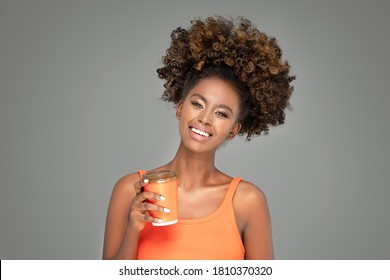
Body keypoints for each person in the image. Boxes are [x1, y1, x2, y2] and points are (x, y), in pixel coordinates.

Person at [102, 15, 295, 260]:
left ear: (234, 130)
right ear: (180, 108)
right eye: (197, 104)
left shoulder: (247, 201)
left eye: (221, 113)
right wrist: (133, 228)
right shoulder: (130, 191)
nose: (205, 119)